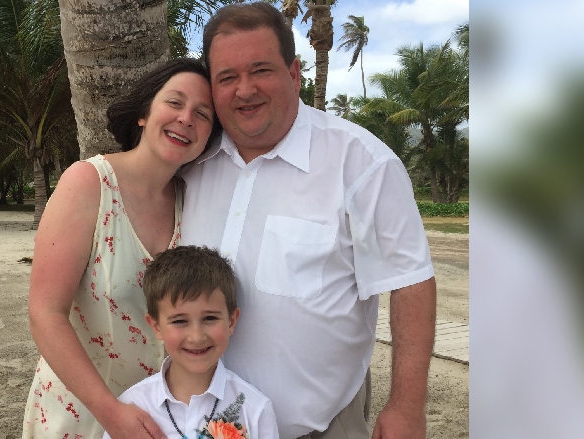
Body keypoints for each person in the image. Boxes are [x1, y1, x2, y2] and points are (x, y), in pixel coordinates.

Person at [180, 4, 437, 439]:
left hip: (321, 428)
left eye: (260, 70)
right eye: (227, 77)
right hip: (198, 427)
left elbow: (410, 281)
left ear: (295, 73)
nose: (244, 90)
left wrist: (406, 405)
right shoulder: (191, 163)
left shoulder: (361, 163)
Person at [22, 58, 219, 439]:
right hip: (80, 413)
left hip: (160, 421)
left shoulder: (192, 200)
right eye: (174, 103)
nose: (186, 119)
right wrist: (111, 412)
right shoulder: (88, 183)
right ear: (145, 112)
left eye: (203, 113)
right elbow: (45, 312)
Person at [104, 245, 279, 439]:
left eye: (210, 318)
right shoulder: (133, 406)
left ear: (231, 321)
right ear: (156, 326)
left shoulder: (255, 410)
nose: (196, 336)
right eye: (179, 321)